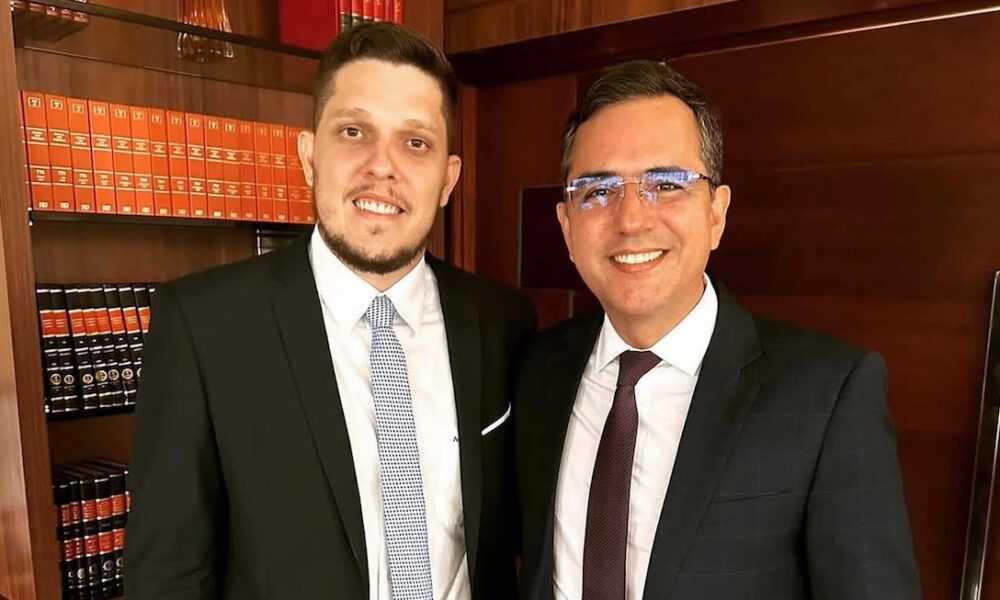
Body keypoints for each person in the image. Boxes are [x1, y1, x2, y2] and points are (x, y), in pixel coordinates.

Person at [125, 23, 534, 600]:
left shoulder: (501, 322)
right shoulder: (203, 326)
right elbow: (165, 578)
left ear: (448, 179)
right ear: (309, 157)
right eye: (353, 131)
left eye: (415, 142)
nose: (382, 166)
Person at [515, 60, 921, 599]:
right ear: (567, 228)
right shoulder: (538, 369)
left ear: (716, 213)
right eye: (598, 190)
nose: (631, 219)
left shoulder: (828, 395)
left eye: (666, 184)